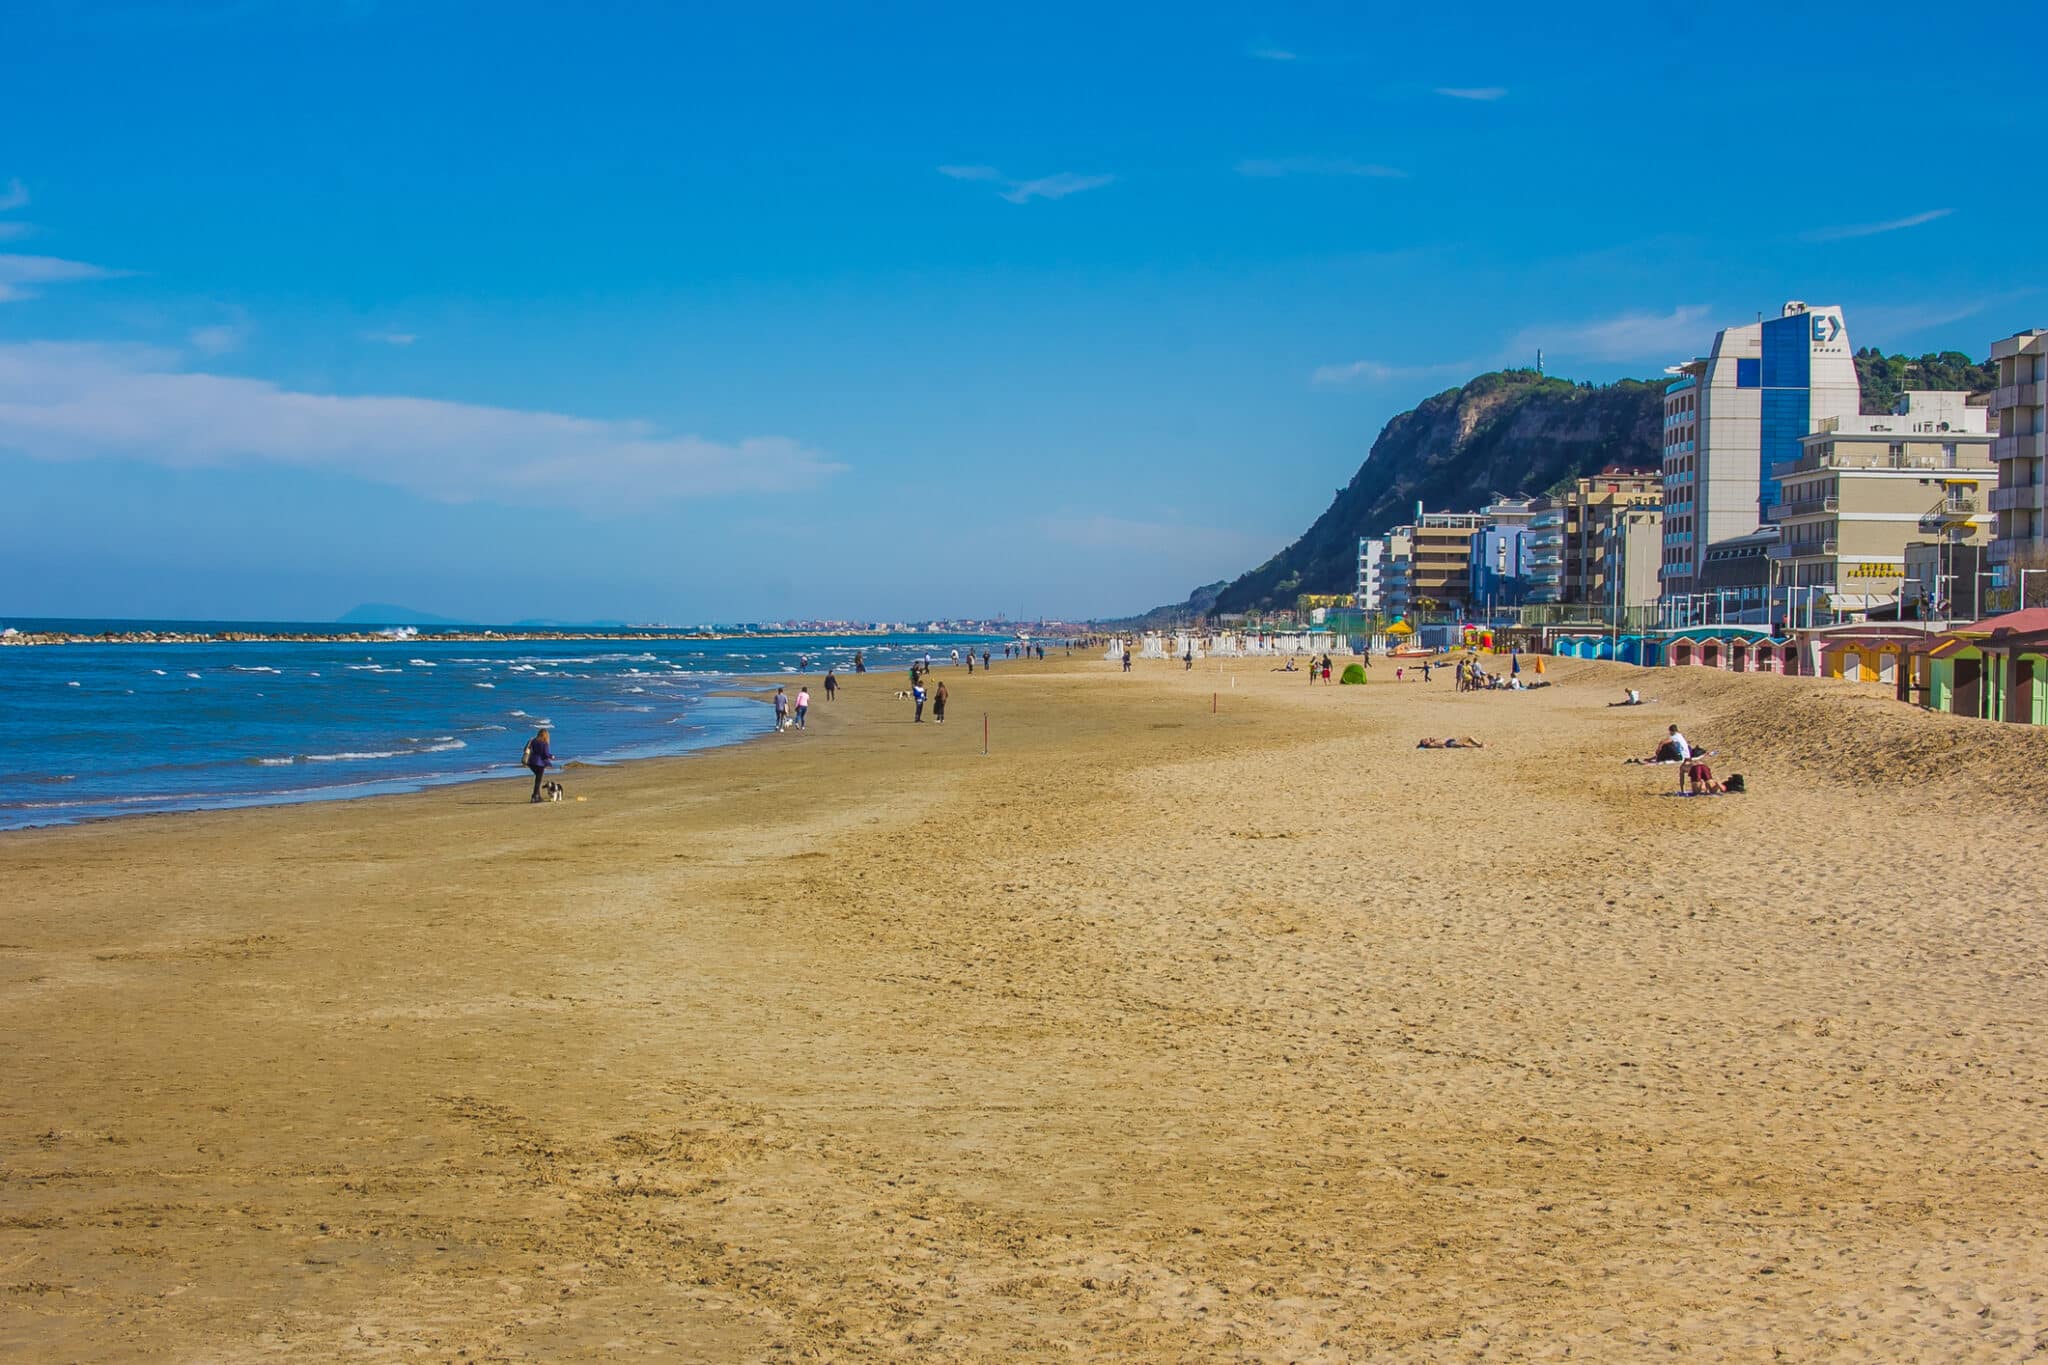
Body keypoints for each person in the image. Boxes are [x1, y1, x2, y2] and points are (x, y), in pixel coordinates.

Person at [521, 726, 554, 802]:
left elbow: (526, 749)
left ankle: (537, 796)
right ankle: (534, 796)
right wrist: (551, 756)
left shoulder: (533, 741)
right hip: (540, 764)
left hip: (531, 762)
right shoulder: (544, 743)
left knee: (537, 779)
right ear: (546, 735)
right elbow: (546, 754)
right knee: (538, 781)